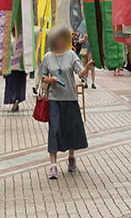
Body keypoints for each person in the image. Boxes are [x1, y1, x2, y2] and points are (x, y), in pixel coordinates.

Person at [38, 25, 92, 179]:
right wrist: (51, 79)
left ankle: (71, 156)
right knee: (54, 130)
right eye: (56, 38)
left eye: (62, 37)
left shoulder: (71, 55)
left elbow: (80, 73)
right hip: (54, 99)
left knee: (71, 130)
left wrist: (87, 67)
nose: (59, 40)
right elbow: (42, 76)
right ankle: (53, 165)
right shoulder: (48, 57)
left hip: (70, 98)